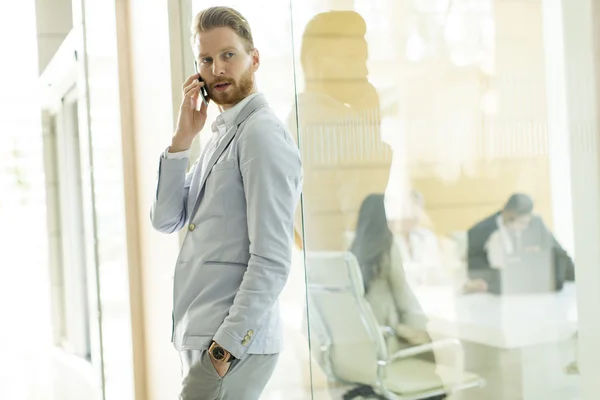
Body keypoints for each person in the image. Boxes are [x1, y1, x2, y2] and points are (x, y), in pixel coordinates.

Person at [150, 7, 302, 399]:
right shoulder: (220, 135)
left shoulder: (260, 135)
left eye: (228, 55)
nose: (217, 68)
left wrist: (224, 349)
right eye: (206, 59)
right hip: (203, 337)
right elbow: (166, 219)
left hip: (230, 346)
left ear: (254, 58)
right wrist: (182, 140)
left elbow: (272, 258)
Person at [350, 194, 432, 351]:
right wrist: (423, 326)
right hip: (389, 337)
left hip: (366, 334)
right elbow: (402, 293)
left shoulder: (354, 248)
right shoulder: (387, 247)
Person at [466, 193, 575, 293]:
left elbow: (559, 255)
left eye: (524, 222)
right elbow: (475, 269)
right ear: (506, 211)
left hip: (537, 289)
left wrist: (577, 277)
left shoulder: (535, 223)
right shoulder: (480, 232)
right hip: (500, 291)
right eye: (516, 220)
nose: (522, 227)